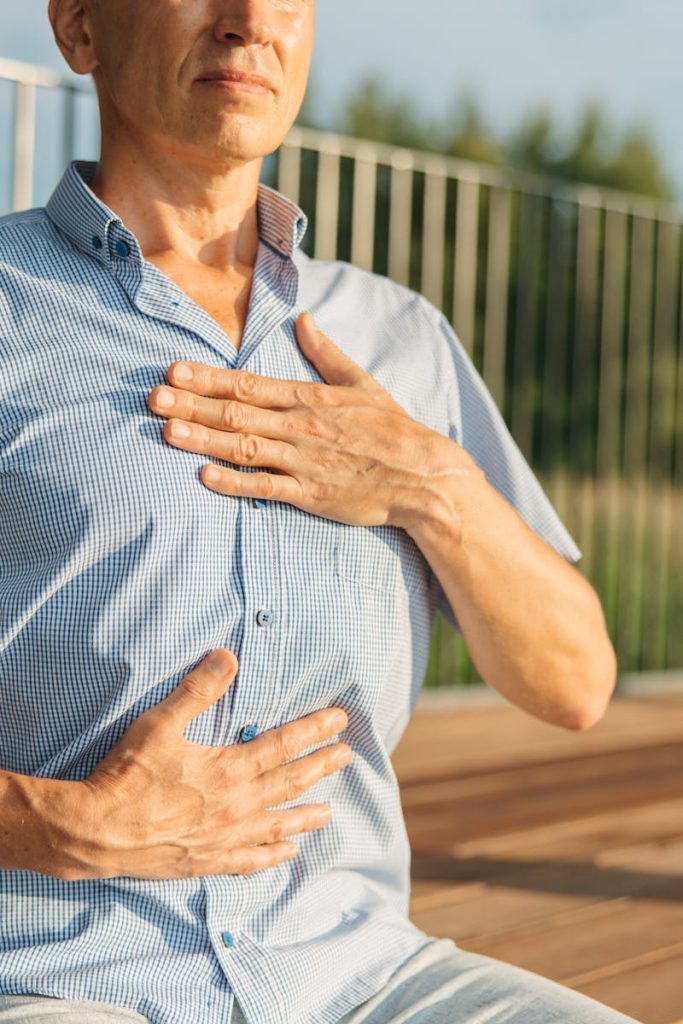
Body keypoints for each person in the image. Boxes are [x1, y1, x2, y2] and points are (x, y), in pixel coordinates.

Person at [0, 1, 635, 1022]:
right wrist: (52, 823)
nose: (249, 20)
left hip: (360, 978)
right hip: (52, 979)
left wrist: (431, 486)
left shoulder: (397, 338)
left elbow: (574, 682)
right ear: (79, 30)